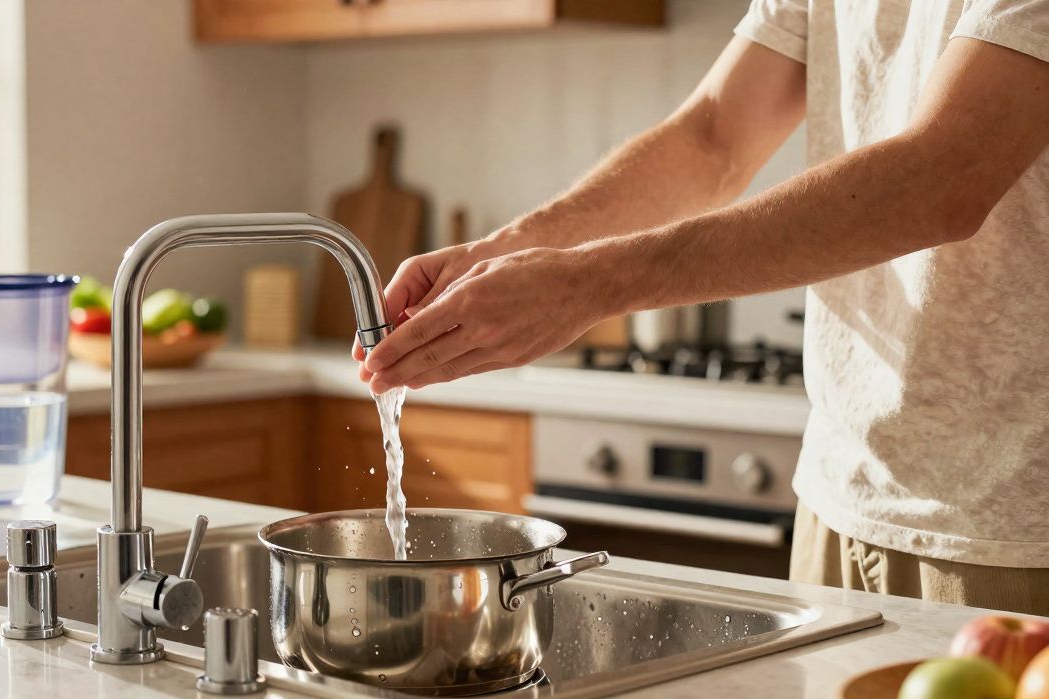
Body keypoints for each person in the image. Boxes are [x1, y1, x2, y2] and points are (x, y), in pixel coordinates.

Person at [356, 0, 1049, 614]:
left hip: (1007, 525)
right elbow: (712, 137)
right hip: (837, 496)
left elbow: (947, 175)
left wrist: (590, 283)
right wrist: (502, 252)